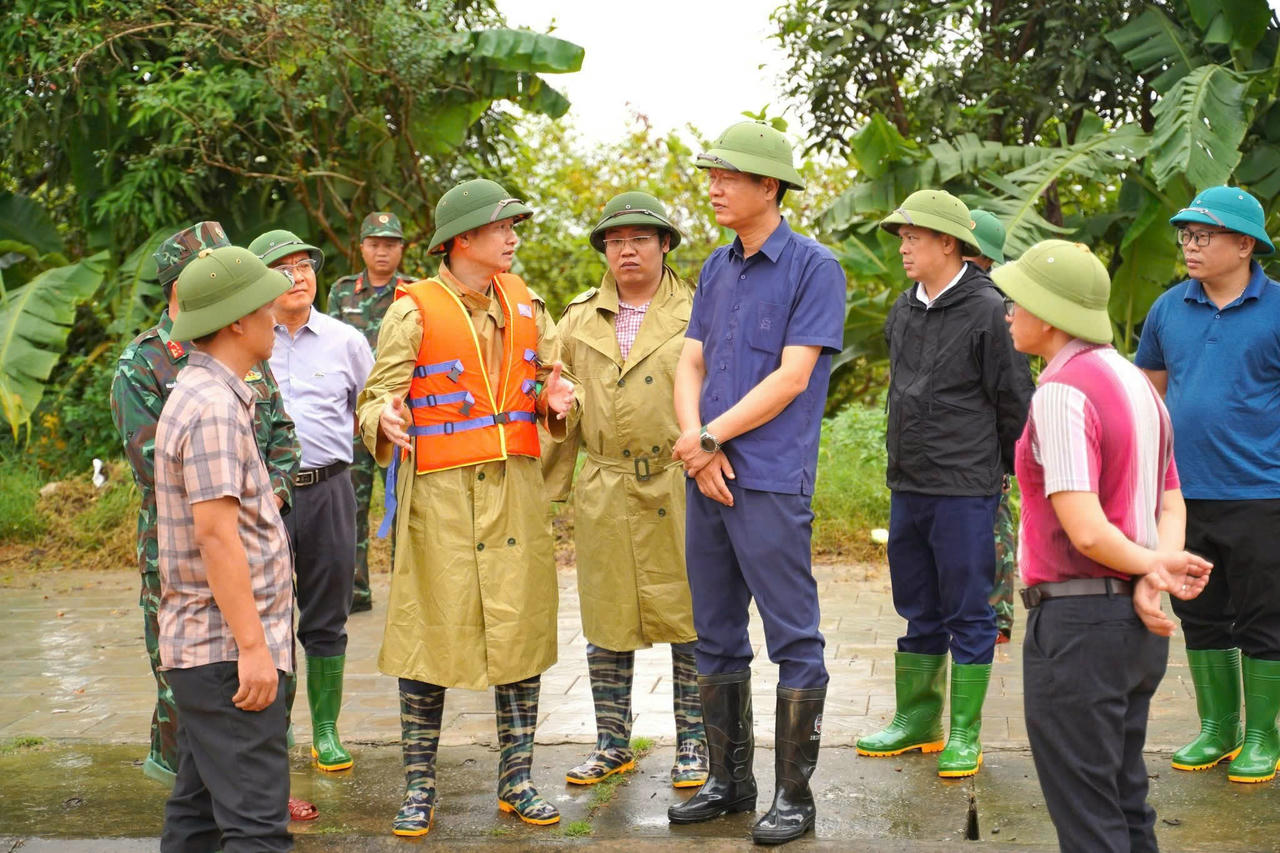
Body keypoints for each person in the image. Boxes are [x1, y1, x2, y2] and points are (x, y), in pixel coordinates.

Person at [355, 179, 577, 836]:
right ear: (463, 240)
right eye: (502, 227)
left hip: (514, 495)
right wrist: (383, 419)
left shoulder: (531, 304)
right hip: (441, 501)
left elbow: (554, 388)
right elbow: (374, 396)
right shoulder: (413, 311)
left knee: (521, 634)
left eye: (515, 227)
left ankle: (518, 778)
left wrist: (559, 404)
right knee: (429, 638)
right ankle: (419, 785)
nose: (513, 237)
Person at [996, 239, 1212, 852]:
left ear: (1051, 312)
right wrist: (1155, 572)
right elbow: (1169, 501)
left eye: (1018, 301)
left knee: (1089, 820)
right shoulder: (1137, 383)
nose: (1009, 312)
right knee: (1123, 801)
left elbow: (1085, 529)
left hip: (1078, 625)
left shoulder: (1061, 393)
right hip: (1133, 625)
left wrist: (1152, 567)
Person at [668, 120, 845, 845]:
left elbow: (794, 376)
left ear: (768, 186)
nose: (714, 187)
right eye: (711, 175)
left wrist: (713, 437)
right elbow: (690, 364)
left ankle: (794, 796)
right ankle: (728, 781)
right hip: (706, 473)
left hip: (768, 477)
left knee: (792, 635)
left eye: (729, 176)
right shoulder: (716, 267)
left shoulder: (813, 267)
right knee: (713, 630)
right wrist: (696, 448)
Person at [108, 224, 316, 822]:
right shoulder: (155, 369)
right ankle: (242, 791)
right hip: (194, 568)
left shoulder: (236, 368)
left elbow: (277, 434)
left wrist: (263, 500)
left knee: (212, 780)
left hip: (241, 552)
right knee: (197, 700)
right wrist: (236, 504)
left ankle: (241, 785)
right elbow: (170, 483)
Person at [856, 190, 1033, 778]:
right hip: (909, 483)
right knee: (917, 604)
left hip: (966, 485)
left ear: (949, 243)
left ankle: (965, 732)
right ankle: (918, 721)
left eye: (914, 237)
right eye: (902, 236)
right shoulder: (903, 308)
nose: (903, 246)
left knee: (969, 607)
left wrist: (1002, 474)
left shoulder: (990, 310)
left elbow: (1014, 402)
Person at [542, 191, 707, 790]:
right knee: (607, 616)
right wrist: (541, 494)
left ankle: (697, 742)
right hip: (605, 484)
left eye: (640, 238)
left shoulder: (697, 310)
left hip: (680, 479)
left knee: (690, 615)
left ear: (665, 245)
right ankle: (612, 742)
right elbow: (555, 404)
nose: (627, 250)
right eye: (615, 241)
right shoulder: (576, 319)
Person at [1134, 186, 1280, 783]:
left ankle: (1263, 737)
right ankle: (1217, 729)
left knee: (1264, 617)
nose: (1190, 246)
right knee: (1203, 613)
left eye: (1203, 236)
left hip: (1261, 494)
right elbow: (1147, 396)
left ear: (1244, 244)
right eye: (1186, 236)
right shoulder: (1169, 308)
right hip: (1183, 495)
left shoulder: (1277, 308)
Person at [154, 245, 297, 852]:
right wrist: (253, 649)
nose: (278, 312)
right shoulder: (213, 408)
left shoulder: (208, 392)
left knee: (198, 815)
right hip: (225, 656)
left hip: (207, 654)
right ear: (238, 319)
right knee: (257, 832)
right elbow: (216, 536)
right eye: (267, 302)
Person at [249, 229, 374, 773]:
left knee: (327, 613)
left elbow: (371, 414)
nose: (298, 276)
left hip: (329, 491)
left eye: (304, 266)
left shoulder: (346, 340)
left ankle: (325, 729)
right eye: (283, 268)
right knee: (262, 613)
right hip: (261, 496)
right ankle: (272, 729)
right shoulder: (246, 340)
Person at [327, 212, 416, 613]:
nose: (382, 251)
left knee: (406, 501)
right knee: (352, 505)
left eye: (390, 244)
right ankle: (354, 589)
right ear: (361, 247)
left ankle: (406, 588)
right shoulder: (342, 293)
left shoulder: (416, 293)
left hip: (401, 416)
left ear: (401, 249)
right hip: (353, 418)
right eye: (375, 243)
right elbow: (327, 353)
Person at [963, 209, 1018, 644]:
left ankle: (996, 618)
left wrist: (1009, 460)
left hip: (985, 454)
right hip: (972, 456)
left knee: (996, 532)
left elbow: (1013, 396)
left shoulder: (995, 308)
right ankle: (992, 617)